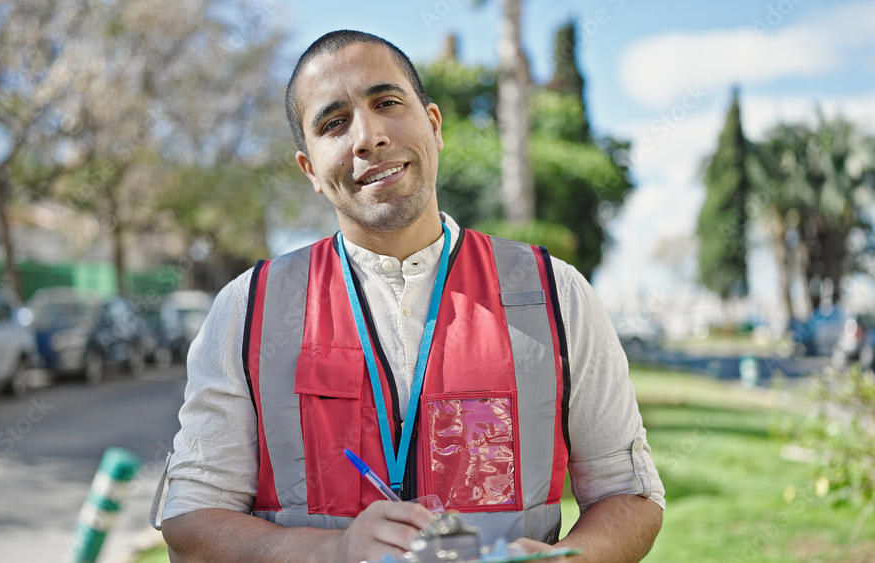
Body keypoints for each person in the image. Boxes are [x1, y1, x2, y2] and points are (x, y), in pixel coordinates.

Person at [152, 30, 664, 563]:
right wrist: (335, 550)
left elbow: (629, 495)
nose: (367, 137)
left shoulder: (555, 293)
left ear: (434, 125)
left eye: (387, 103)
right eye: (333, 124)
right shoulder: (247, 309)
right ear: (311, 171)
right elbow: (190, 524)